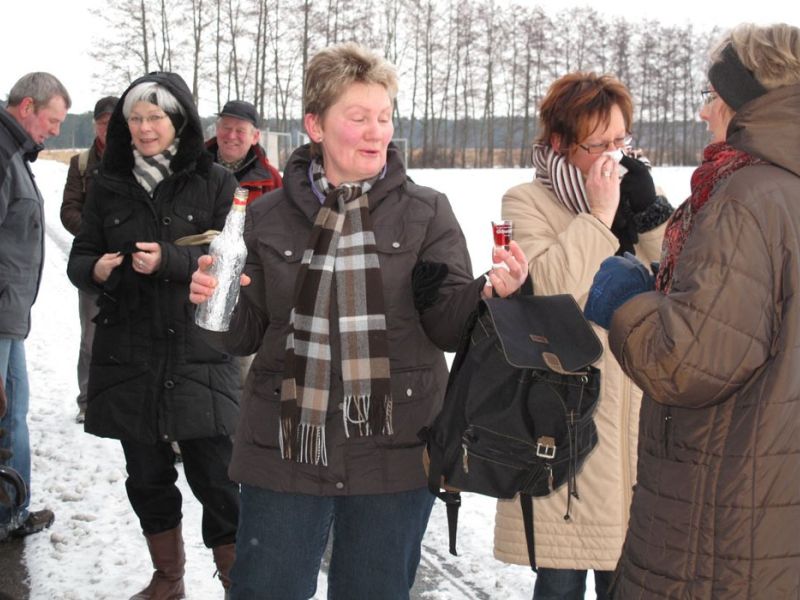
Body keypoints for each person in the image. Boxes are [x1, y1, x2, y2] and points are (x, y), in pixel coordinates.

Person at [189, 42, 528, 600]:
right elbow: (245, 331)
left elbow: (446, 324)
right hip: (286, 449)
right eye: (359, 117)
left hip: (394, 452)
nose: (377, 131)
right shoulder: (267, 215)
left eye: (384, 117)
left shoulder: (426, 211)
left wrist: (488, 294)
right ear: (315, 125)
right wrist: (210, 301)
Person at [584, 23, 800, 598]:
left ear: (748, 101)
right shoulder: (781, 189)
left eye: (714, 97)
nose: (705, 114)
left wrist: (630, 302)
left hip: (722, 514)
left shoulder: (746, 197)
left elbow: (688, 362)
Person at [493, 72, 672, 599]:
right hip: (566, 430)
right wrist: (599, 215)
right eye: (599, 145)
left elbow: (682, 282)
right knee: (561, 579)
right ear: (560, 144)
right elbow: (555, 293)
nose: (614, 157)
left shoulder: (641, 195)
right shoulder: (525, 201)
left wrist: (654, 217)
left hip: (637, 427)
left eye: (622, 142)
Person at [66, 72, 241, 598]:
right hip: (130, 352)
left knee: (217, 479)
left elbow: (231, 262)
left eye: (155, 117)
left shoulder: (215, 183)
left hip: (198, 352)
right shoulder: (108, 185)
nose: (144, 129)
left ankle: (240, 582)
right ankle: (168, 579)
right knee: (145, 476)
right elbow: (80, 258)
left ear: (179, 120)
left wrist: (172, 260)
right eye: (135, 119)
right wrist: (96, 270)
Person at [0, 72, 70, 542]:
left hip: (11, 316)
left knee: (12, 412)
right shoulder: (3, 155)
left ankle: (11, 511)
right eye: (54, 119)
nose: (57, 130)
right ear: (28, 107)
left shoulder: (16, 153)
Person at [61, 95, 119, 424]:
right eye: (103, 123)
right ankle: (87, 398)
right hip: (93, 263)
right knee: (91, 336)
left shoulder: (135, 160)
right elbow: (68, 208)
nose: (109, 130)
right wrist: (94, 232)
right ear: (96, 124)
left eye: (114, 123)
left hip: (127, 261)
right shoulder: (81, 164)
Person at [206, 99, 282, 204]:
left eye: (240, 131)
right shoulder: (193, 169)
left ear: (255, 137)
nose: (231, 136)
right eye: (227, 128)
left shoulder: (271, 181)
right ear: (217, 130)